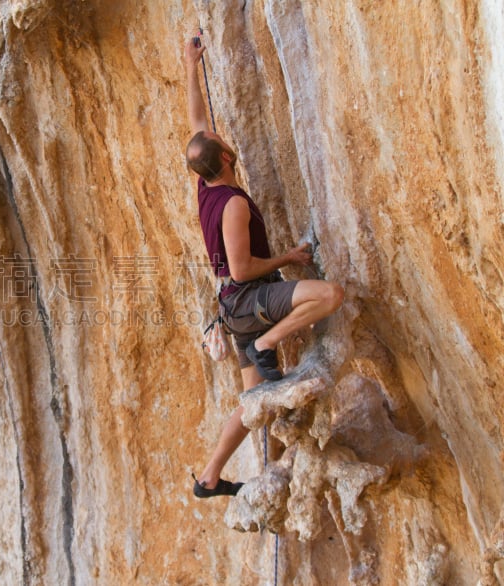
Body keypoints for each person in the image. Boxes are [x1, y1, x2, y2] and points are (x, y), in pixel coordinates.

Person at [184, 35, 345, 498]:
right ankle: (271, 341)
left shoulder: (205, 185)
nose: (216, 130)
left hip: (234, 307)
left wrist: (190, 65)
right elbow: (241, 268)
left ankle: (210, 476)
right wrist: (290, 259)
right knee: (328, 294)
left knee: (253, 399)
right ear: (227, 157)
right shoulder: (232, 203)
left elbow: (198, 123)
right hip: (247, 300)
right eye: (219, 137)